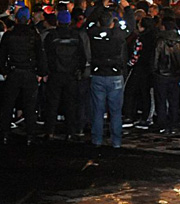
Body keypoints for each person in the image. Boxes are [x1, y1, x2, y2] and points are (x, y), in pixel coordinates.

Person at [0, 7, 48, 145]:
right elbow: (41, 55)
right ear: (29, 20)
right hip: (29, 72)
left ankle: (5, 133)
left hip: (13, 72)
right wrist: (41, 73)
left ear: (17, 19)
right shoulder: (34, 35)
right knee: (30, 106)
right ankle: (30, 135)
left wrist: (5, 71)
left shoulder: (9, 35)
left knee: (8, 104)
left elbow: (1, 56)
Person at [44, 10, 89, 140]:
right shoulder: (76, 36)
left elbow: (46, 55)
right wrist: (79, 70)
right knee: (70, 104)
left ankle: (50, 131)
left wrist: (46, 71)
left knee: (52, 103)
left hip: (55, 74)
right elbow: (82, 56)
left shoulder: (51, 36)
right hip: (71, 75)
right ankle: (70, 131)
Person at [86, 11, 128, 148]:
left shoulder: (93, 34)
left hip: (98, 74)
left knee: (97, 110)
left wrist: (100, 7)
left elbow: (88, 22)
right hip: (114, 74)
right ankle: (116, 141)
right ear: (112, 23)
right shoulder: (117, 35)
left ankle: (97, 139)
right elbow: (129, 27)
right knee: (115, 111)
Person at [150, 20, 180, 135]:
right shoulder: (179, 41)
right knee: (174, 100)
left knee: (161, 100)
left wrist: (154, 70)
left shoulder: (160, 41)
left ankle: (162, 122)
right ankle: (174, 122)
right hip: (175, 74)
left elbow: (156, 57)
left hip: (161, 74)